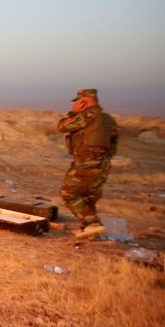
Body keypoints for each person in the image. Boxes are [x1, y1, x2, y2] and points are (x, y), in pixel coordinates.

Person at [57, 88, 119, 240]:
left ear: (83, 102)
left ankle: (92, 224)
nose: (75, 104)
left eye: (77, 102)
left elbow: (62, 127)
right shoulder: (108, 119)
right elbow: (114, 143)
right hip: (103, 162)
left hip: (87, 160)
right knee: (88, 196)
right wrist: (102, 159)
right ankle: (88, 229)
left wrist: (73, 113)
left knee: (69, 193)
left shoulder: (88, 115)